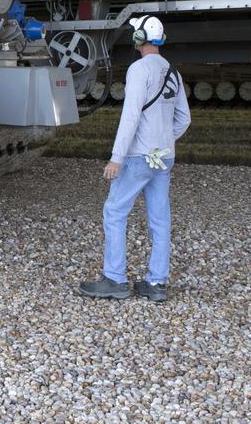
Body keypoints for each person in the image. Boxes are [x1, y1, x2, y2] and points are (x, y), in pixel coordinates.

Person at [78, 16, 190, 304]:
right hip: (164, 158)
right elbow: (184, 119)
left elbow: (130, 116)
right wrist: (163, 140)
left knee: (114, 212)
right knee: (160, 219)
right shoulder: (173, 71)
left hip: (139, 156)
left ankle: (115, 279)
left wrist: (117, 158)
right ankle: (156, 283)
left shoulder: (139, 69)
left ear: (140, 37)